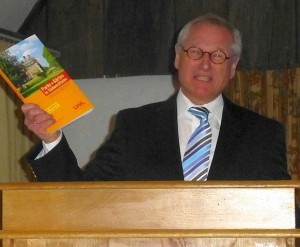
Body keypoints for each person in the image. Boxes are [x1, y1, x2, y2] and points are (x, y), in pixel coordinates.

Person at [21, 13, 290, 181]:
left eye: (218, 56)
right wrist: (51, 138)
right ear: (177, 57)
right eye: (195, 52)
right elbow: (80, 197)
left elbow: (287, 216)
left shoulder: (264, 135)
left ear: (233, 67)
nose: (205, 64)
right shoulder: (134, 126)